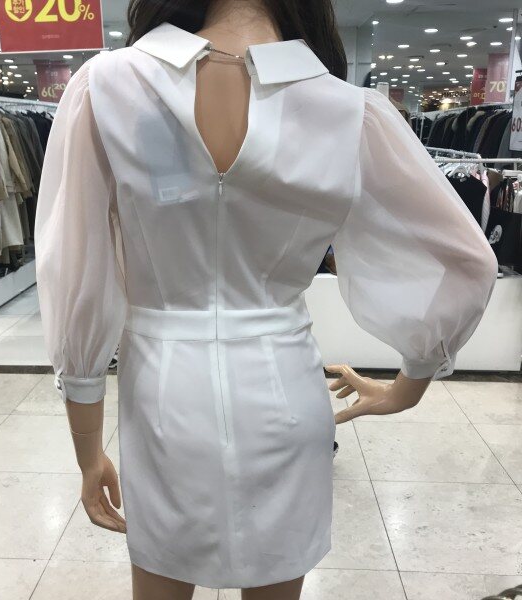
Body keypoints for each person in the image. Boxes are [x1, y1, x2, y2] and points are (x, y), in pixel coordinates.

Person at [33, 1, 499, 598]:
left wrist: (87, 448)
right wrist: (407, 385)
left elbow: (73, 267)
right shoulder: (348, 110)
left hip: (163, 395)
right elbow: (468, 261)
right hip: (286, 388)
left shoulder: (105, 87)